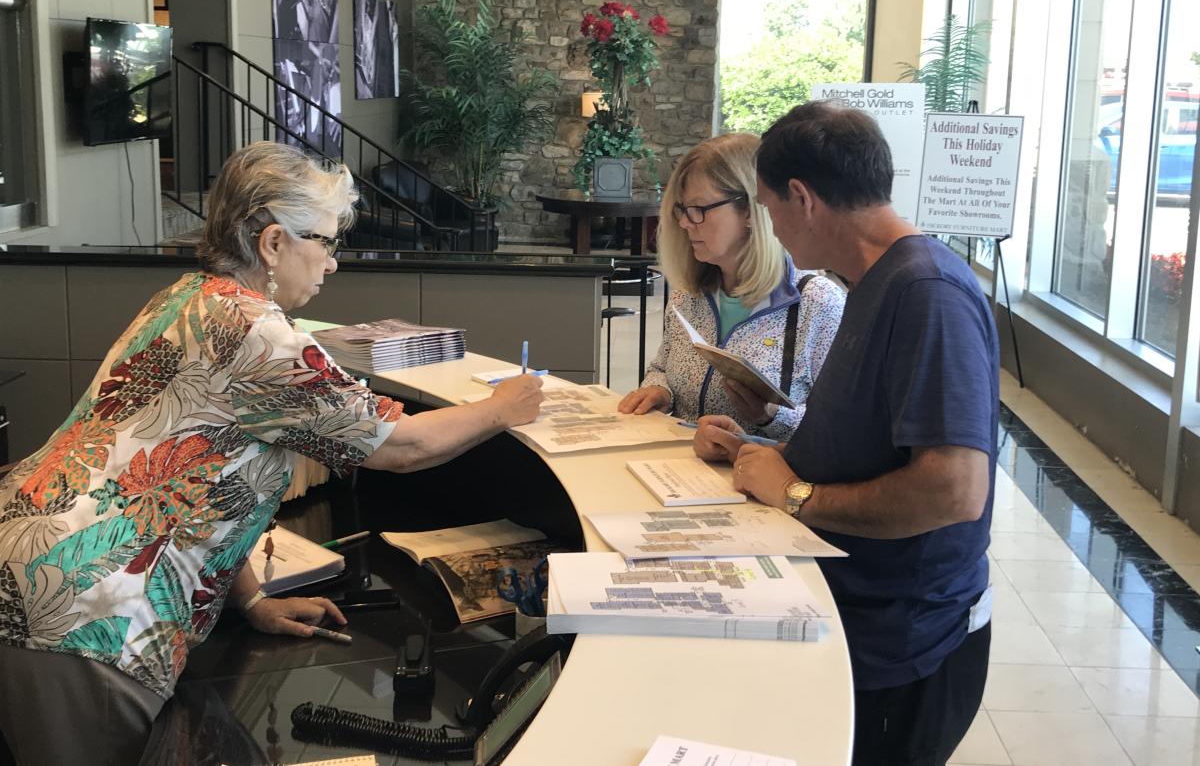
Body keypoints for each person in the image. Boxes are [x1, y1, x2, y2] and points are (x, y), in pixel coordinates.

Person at [0, 141, 544, 765]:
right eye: (327, 242)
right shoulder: (261, 335)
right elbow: (403, 448)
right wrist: (505, 407)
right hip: (82, 613)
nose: (333, 263)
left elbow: (198, 478)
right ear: (274, 244)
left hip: (32, 562)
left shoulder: (185, 298)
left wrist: (250, 598)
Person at [693, 102, 998, 766]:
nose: (773, 228)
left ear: (800, 198)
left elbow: (954, 490)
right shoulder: (872, 281)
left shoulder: (928, 293)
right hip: (858, 618)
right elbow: (865, 442)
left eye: (770, 209)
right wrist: (765, 451)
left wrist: (795, 496)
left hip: (905, 648)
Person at [618, 133, 844, 441]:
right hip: (678, 474)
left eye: (698, 208)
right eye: (682, 209)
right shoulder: (689, 294)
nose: (685, 223)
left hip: (759, 484)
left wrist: (771, 416)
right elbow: (661, 367)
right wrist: (659, 390)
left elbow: (841, 433)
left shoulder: (817, 305)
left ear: (751, 210)